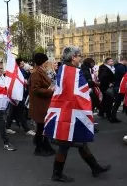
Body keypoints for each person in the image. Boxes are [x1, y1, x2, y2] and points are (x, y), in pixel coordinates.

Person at [45, 46, 111, 182]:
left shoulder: (64, 69)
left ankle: (95, 167)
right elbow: (79, 93)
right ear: (73, 57)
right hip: (68, 114)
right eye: (79, 55)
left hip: (66, 112)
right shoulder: (72, 72)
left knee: (80, 142)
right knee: (65, 146)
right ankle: (56, 174)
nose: (80, 58)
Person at [29, 53, 55, 156]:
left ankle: (44, 145)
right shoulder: (36, 73)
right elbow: (35, 89)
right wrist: (50, 90)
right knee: (41, 128)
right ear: (43, 62)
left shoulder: (40, 71)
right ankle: (38, 148)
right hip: (40, 105)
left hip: (42, 103)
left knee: (42, 127)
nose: (48, 63)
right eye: (46, 61)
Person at [98, 58, 116, 122]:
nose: (112, 62)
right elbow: (102, 77)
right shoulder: (105, 68)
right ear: (107, 62)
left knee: (105, 101)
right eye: (111, 61)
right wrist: (109, 83)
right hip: (106, 87)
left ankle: (101, 113)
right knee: (108, 101)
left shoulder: (108, 68)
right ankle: (108, 115)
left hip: (105, 87)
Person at [111, 57, 127, 122]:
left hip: (117, 86)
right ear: (124, 61)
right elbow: (125, 76)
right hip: (119, 87)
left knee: (117, 103)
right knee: (117, 103)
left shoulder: (116, 67)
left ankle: (113, 117)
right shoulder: (121, 67)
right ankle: (113, 118)